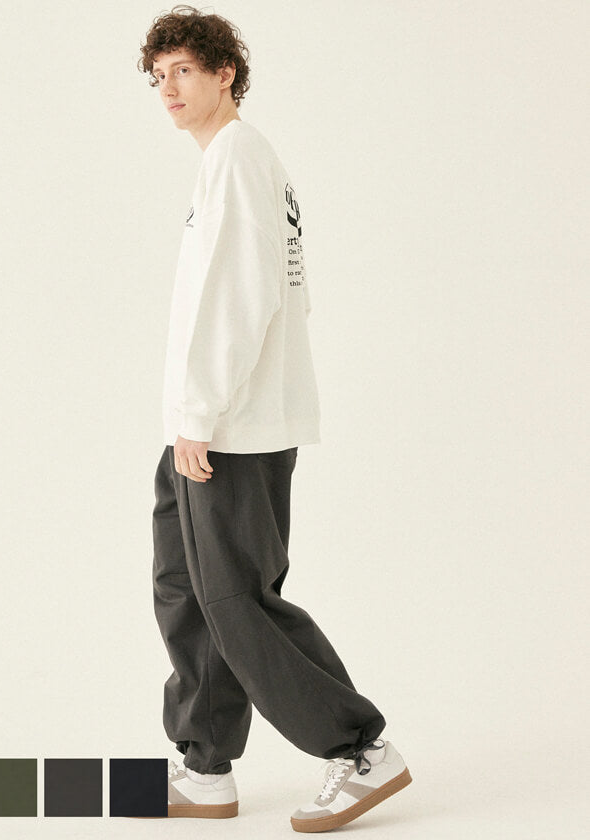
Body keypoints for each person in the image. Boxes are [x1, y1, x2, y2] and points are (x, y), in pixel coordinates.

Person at [138, 5, 412, 832]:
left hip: (228, 429)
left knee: (236, 601)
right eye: (158, 77)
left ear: (225, 73)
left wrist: (202, 412)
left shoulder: (238, 157)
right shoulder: (232, 162)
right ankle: (205, 767)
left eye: (184, 70)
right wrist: (190, 418)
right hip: (209, 424)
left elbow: (242, 297)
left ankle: (359, 749)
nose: (169, 89)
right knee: (188, 590)